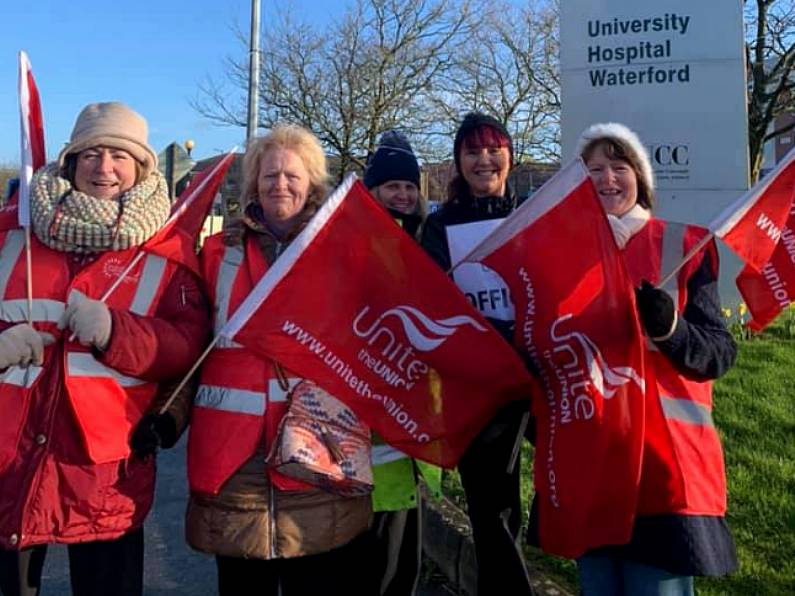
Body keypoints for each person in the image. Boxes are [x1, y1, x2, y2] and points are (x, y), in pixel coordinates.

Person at [0, 102, 210, 596]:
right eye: (91, 153)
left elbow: (187, 346)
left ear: (141, 167)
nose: (104, 167)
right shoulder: (13, 232)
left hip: (105, 468)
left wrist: (116, 331)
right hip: (10, 460)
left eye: (119, 154)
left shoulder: (167, 250)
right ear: (70, 163)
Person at [184, 123, 374, 596]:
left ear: (312, 182)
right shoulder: (216, 253)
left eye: (292, 175)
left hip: (317, 455)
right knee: (243, 585)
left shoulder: (346, 254)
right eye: (269, 176)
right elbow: (190, 343)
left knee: (317, 584)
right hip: (234, 460)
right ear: (253, 184)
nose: (280, 185)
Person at [564, 122, 738, 595]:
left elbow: (719, 354)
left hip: (664, 469)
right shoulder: (562, 254)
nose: (606, 179)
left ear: (640, 176)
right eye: (594, 169)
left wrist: (670, 330)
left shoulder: (684, 245)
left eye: (618, 166)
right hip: (593, 463)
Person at [420, 112, 535, 596]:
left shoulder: (536, 212)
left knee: (577, 493)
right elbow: (433, 306)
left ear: (509, 155)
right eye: (472, 151)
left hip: (545, 373)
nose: (484, 159)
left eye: (493, 149)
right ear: (458, 163)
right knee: (494, 513)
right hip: (481, 387)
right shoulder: (440, 227)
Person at [363, 130, 442, 596]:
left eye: (410, 187)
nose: (404, 195)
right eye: (393, 186)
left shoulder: (425, 240)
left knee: (402, 558)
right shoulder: (360, 240)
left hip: (413, 420)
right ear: (373, 190)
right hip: (378, 424)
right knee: (379, 561)